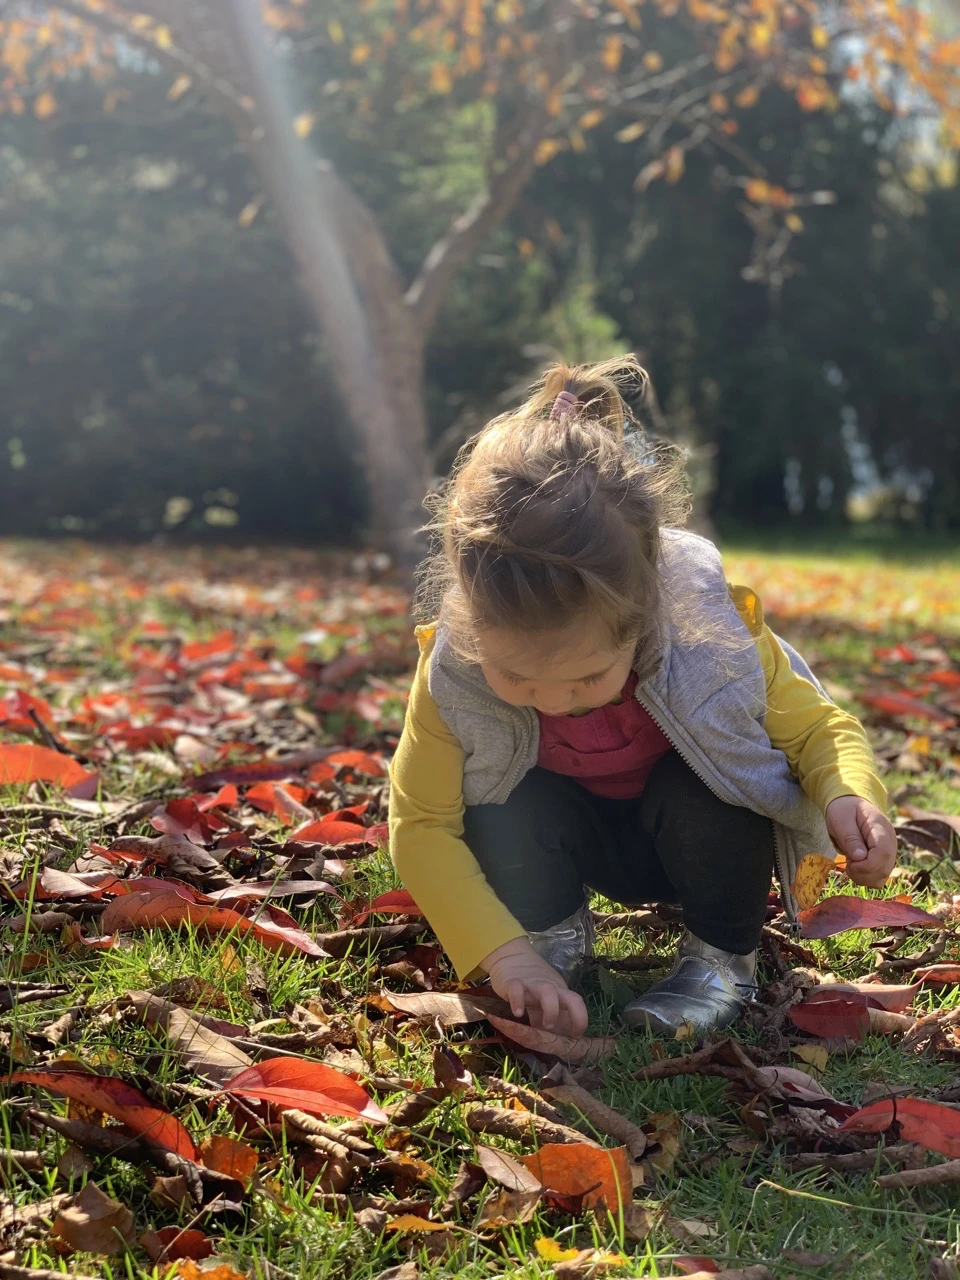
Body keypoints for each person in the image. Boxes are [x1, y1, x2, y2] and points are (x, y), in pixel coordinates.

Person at [388, 357, 896, 1039]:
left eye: (585, 679)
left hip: (695, 839)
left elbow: (817, 729)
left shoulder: (708, 635)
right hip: (570, 837)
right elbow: (421, 825)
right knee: (506, 805)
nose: (554, 700)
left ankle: (721, 960)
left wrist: (849, 795)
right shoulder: (455, 671)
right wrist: (503, 956)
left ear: (642, 616)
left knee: (715, 794)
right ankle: (549, 937)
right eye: (519, 679)